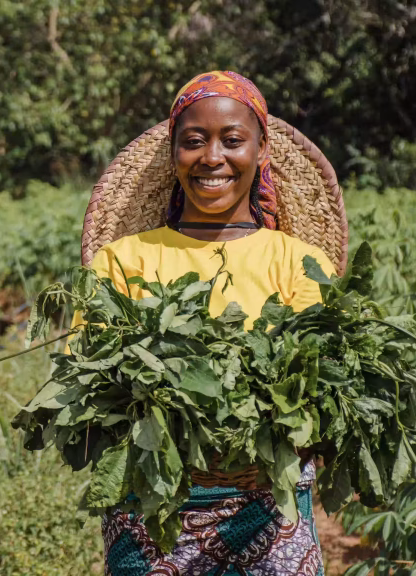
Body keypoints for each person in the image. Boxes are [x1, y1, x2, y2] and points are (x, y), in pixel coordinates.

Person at [89, 72, 335, 576]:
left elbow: (323, 391)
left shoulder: (300, 263)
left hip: (270, 509)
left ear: (262, 150)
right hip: (151, 507)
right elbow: (95, 383)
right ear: (174, 152)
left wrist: (279, 441)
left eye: (233, 140)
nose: (212, 158)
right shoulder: (123, 260)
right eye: (194, 141)